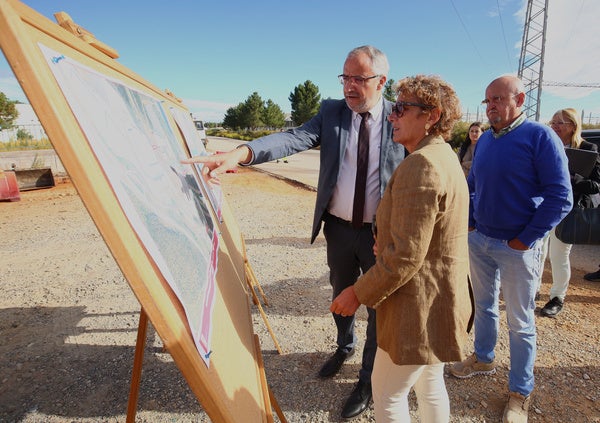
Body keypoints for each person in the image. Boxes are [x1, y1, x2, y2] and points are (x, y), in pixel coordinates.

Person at [182, 45, 406, 419]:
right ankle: (343, 345)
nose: (349, 86)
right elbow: (291, 138)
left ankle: (367, 380)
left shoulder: (401, 118)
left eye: (359, 79)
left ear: (382, 81)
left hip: (381, 235)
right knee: (340, 292)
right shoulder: (332, 111)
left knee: (380, 306)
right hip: (338, 228)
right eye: (345, 77)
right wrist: (241, 153)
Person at [330, 74, 473, 422]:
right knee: (429, 383)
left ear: (432, 115)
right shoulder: (444, 156)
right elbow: (426, 237)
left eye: (402, 108)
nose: (392, 116)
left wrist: (357, 292)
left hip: (418, 309)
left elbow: (407, 257)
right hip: (441, 303)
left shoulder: (421, 165)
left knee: (389, 396)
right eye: (394, 108)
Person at [450, 75, 572, 423]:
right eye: (488, 100)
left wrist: (527, 238)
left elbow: (561, 197)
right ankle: (484, 357)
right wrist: (471, 220)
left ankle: (520, 391)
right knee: (485, 305)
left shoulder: (540, 136)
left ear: (519, 99)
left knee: (520, 322)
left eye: (498, 99)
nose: (490, 106)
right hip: (481, 240)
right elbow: (471, 185)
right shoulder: (486, 139)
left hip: (518, 247)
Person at [537, 108, 600, 317]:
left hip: (567, 210)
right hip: (542, 205)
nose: (554, 126)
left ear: (573, 125)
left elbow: (596, 186)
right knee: (537, 251)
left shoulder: (588, 148)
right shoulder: (547, 145)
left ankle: (557, 297)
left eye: (560, 122)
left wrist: (572, 178)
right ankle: (534, 289)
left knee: (558, 255)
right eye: (553, 122)